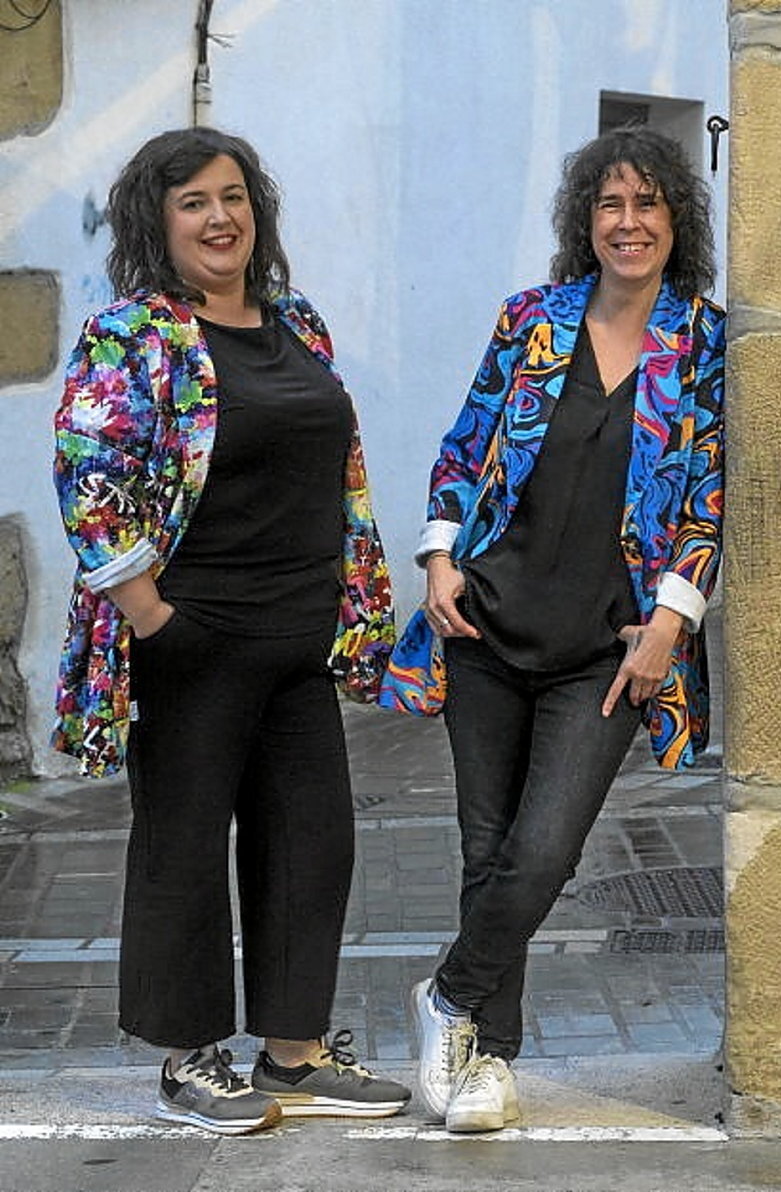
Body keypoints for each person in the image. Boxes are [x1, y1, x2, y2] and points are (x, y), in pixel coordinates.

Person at [51, 127, 408, 1134]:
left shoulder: (298, 323)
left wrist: (351, 601)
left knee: (313, 841)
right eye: (195, 202)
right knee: (185, 846)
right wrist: (153, 617)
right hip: (194, 637)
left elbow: (337, 471)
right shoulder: (134, 333)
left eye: (234, 196)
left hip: (299, 637)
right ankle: (189, 1061)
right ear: (158, 222)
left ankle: (294, 1056)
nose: (221, 217)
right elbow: (88, 478)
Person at [380, 125, 725, 1133]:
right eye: (610, 204)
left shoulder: (703, 342)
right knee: (486, 850)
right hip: (486, 626)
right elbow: (465, 445)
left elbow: (708, 496)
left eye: (647, 203)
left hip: (607, 650)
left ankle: (447, 996)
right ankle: (487, 1063)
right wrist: (440, 559)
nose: (629, 222)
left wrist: (671, 623)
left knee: (543, 852)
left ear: (676, 219)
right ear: (586, 220)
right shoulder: (532, 321)